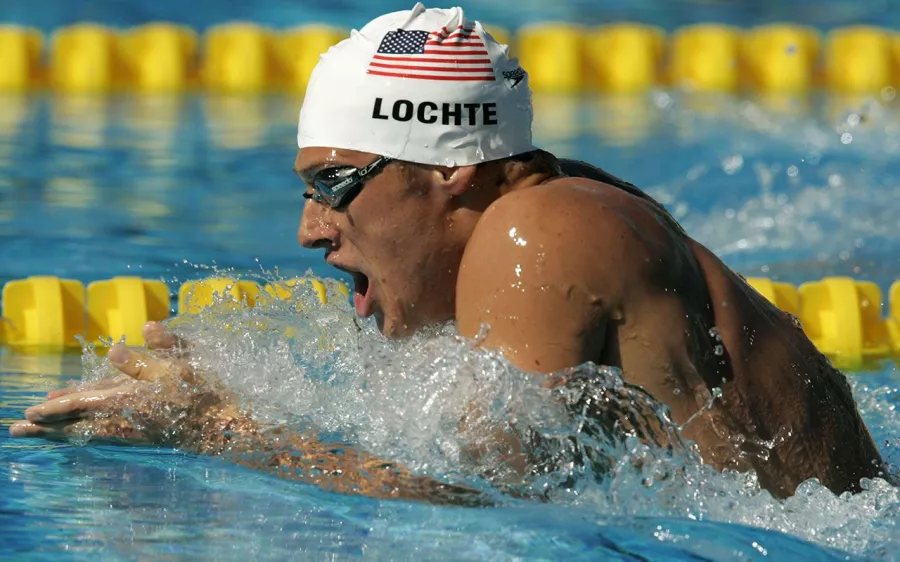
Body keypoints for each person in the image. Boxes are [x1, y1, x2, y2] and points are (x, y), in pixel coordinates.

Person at [10, 3, 887, 502]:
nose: (310, 229)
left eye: (336, 184)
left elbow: (487, 508)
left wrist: (216, 431)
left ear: (451, 173)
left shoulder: (539, 231)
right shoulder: (558, 207)